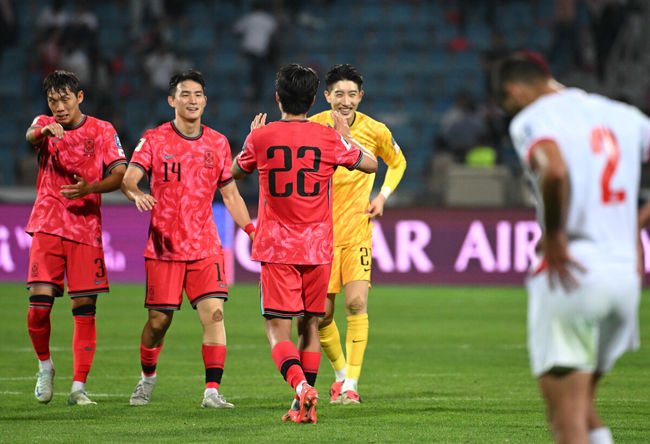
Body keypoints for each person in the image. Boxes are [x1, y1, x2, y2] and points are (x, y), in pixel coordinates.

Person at [492, 52, 648, 444]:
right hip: (626, 277)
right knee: (583, 406)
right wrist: (637, 221)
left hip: (572, 274)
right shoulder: (623, 114)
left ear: (513, 91)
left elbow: (554, 168)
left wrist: (557, 233)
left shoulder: (533, 119)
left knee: (565, 420)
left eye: (506, 103)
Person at [231, 63, 378, 423]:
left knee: (275, 328)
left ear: (278, 97)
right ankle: (303, 406)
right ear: (314, 99)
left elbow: (232, 172)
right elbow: (372, 165)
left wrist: (253, 140)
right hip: (318, 247)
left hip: (277, 247)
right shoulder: (328, 137)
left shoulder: (261, 137)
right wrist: (345, 134)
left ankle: (301, 389)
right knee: (310, 325)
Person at [121, 70, 254, 409]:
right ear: (172, 100)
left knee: (215, 315)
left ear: (205, 101)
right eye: (185, 94)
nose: (192, 100)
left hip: (205, 245)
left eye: (197, 95)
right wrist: (136, 192)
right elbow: (129, 177)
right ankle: (147, 377)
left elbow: (232, 195)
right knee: (158, 322)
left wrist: (252, 231)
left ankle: (212, 391)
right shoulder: (154, 139)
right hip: (164, 247)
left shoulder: (218, 143)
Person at [25, 70, 127, 406]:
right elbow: (30, 136)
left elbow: (118, 174)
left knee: (84, 310)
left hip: (85, 230)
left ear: (80, 97)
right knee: (38, 309)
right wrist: (44, 130)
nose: (59, 106)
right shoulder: (44, 125)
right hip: (47, 225)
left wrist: (91, 188)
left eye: (65, 98)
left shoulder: (102, 130)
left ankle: (78, 387)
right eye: (53, 100)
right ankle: (45, 366)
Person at [309, 64, 407, 404]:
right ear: (327, 96)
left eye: (352, 94)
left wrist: (383, 196)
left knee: (356, 302)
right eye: (339, 94)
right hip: (318, 235)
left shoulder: (375, 130)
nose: (346, 101)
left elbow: (398, 162)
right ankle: (339, 374)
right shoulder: (312, 127)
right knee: (321, 314)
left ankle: (351, 384)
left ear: (360, 96)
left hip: (356, 231)